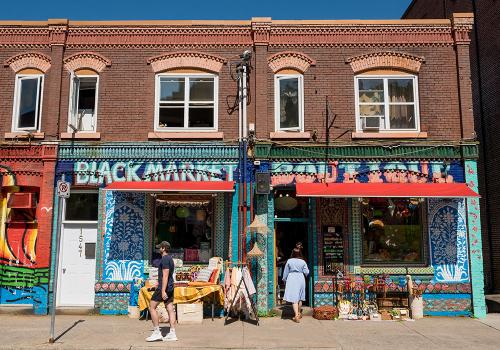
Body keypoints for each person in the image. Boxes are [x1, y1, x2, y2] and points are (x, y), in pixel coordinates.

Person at [146, 241, 177, 342]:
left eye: (160, 247)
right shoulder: (170, 259)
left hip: (165, 288)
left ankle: (157, 333)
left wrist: (163, 290)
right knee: (170, 309)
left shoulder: (164, 259)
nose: (159, 249)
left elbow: (166, 275)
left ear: (163, 248)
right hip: (170, 287)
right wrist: (159, 284)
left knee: (152, 307)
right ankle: (172, 333)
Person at [282, 248, 309, 323]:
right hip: (300, 277)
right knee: (300, 297)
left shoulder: (289, 261)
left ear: (292, 253)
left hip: (292, 278)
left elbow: (285, 271)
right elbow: (306, 272)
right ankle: (299, 313)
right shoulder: (303, 261)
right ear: (300, 253)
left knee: (294, 297)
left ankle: (296, 315)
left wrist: (284, 279)